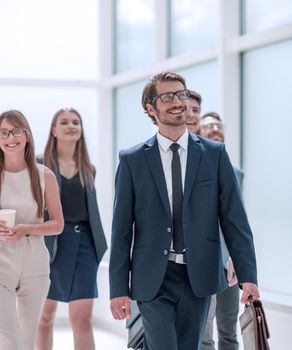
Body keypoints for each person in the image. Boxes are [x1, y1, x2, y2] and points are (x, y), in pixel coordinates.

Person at [109, 71, 260, 350]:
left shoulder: (214, 154)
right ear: (150, 108)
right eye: (167, 96)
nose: (178, 101)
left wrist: (249, 276)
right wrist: (118, 289)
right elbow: (120, 231)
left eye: (181, 94)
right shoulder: (132, 161)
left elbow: (234, 221)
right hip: (153, 276)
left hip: (199, 275)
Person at [36, 107, 107, 350]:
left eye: (76, 122)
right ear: (54, 130)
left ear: (81, 130)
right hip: (50, 243)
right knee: (45, 316)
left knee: (82, 318)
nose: (71, 125)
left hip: (85, 244)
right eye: (64, 122)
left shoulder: (89, 168)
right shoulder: (38, 164)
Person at [0, 110, 64, 350]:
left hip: (34, 264)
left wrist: (26, 229)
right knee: (9, 339)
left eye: (16, 131)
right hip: (0, 262)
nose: (10, 137)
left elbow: (58, 224)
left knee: (26, 342)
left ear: (26, 135)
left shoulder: (44, 175)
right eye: (3, 132)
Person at [187, 100, 241, 350]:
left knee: (229, 331)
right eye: (208, 126)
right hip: (203, 262)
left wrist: (238, 257)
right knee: (204, 333)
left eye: (219, 125)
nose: (215, 130)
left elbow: (237, 221)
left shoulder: (236, 173)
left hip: (230, 261)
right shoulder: (193, 169)